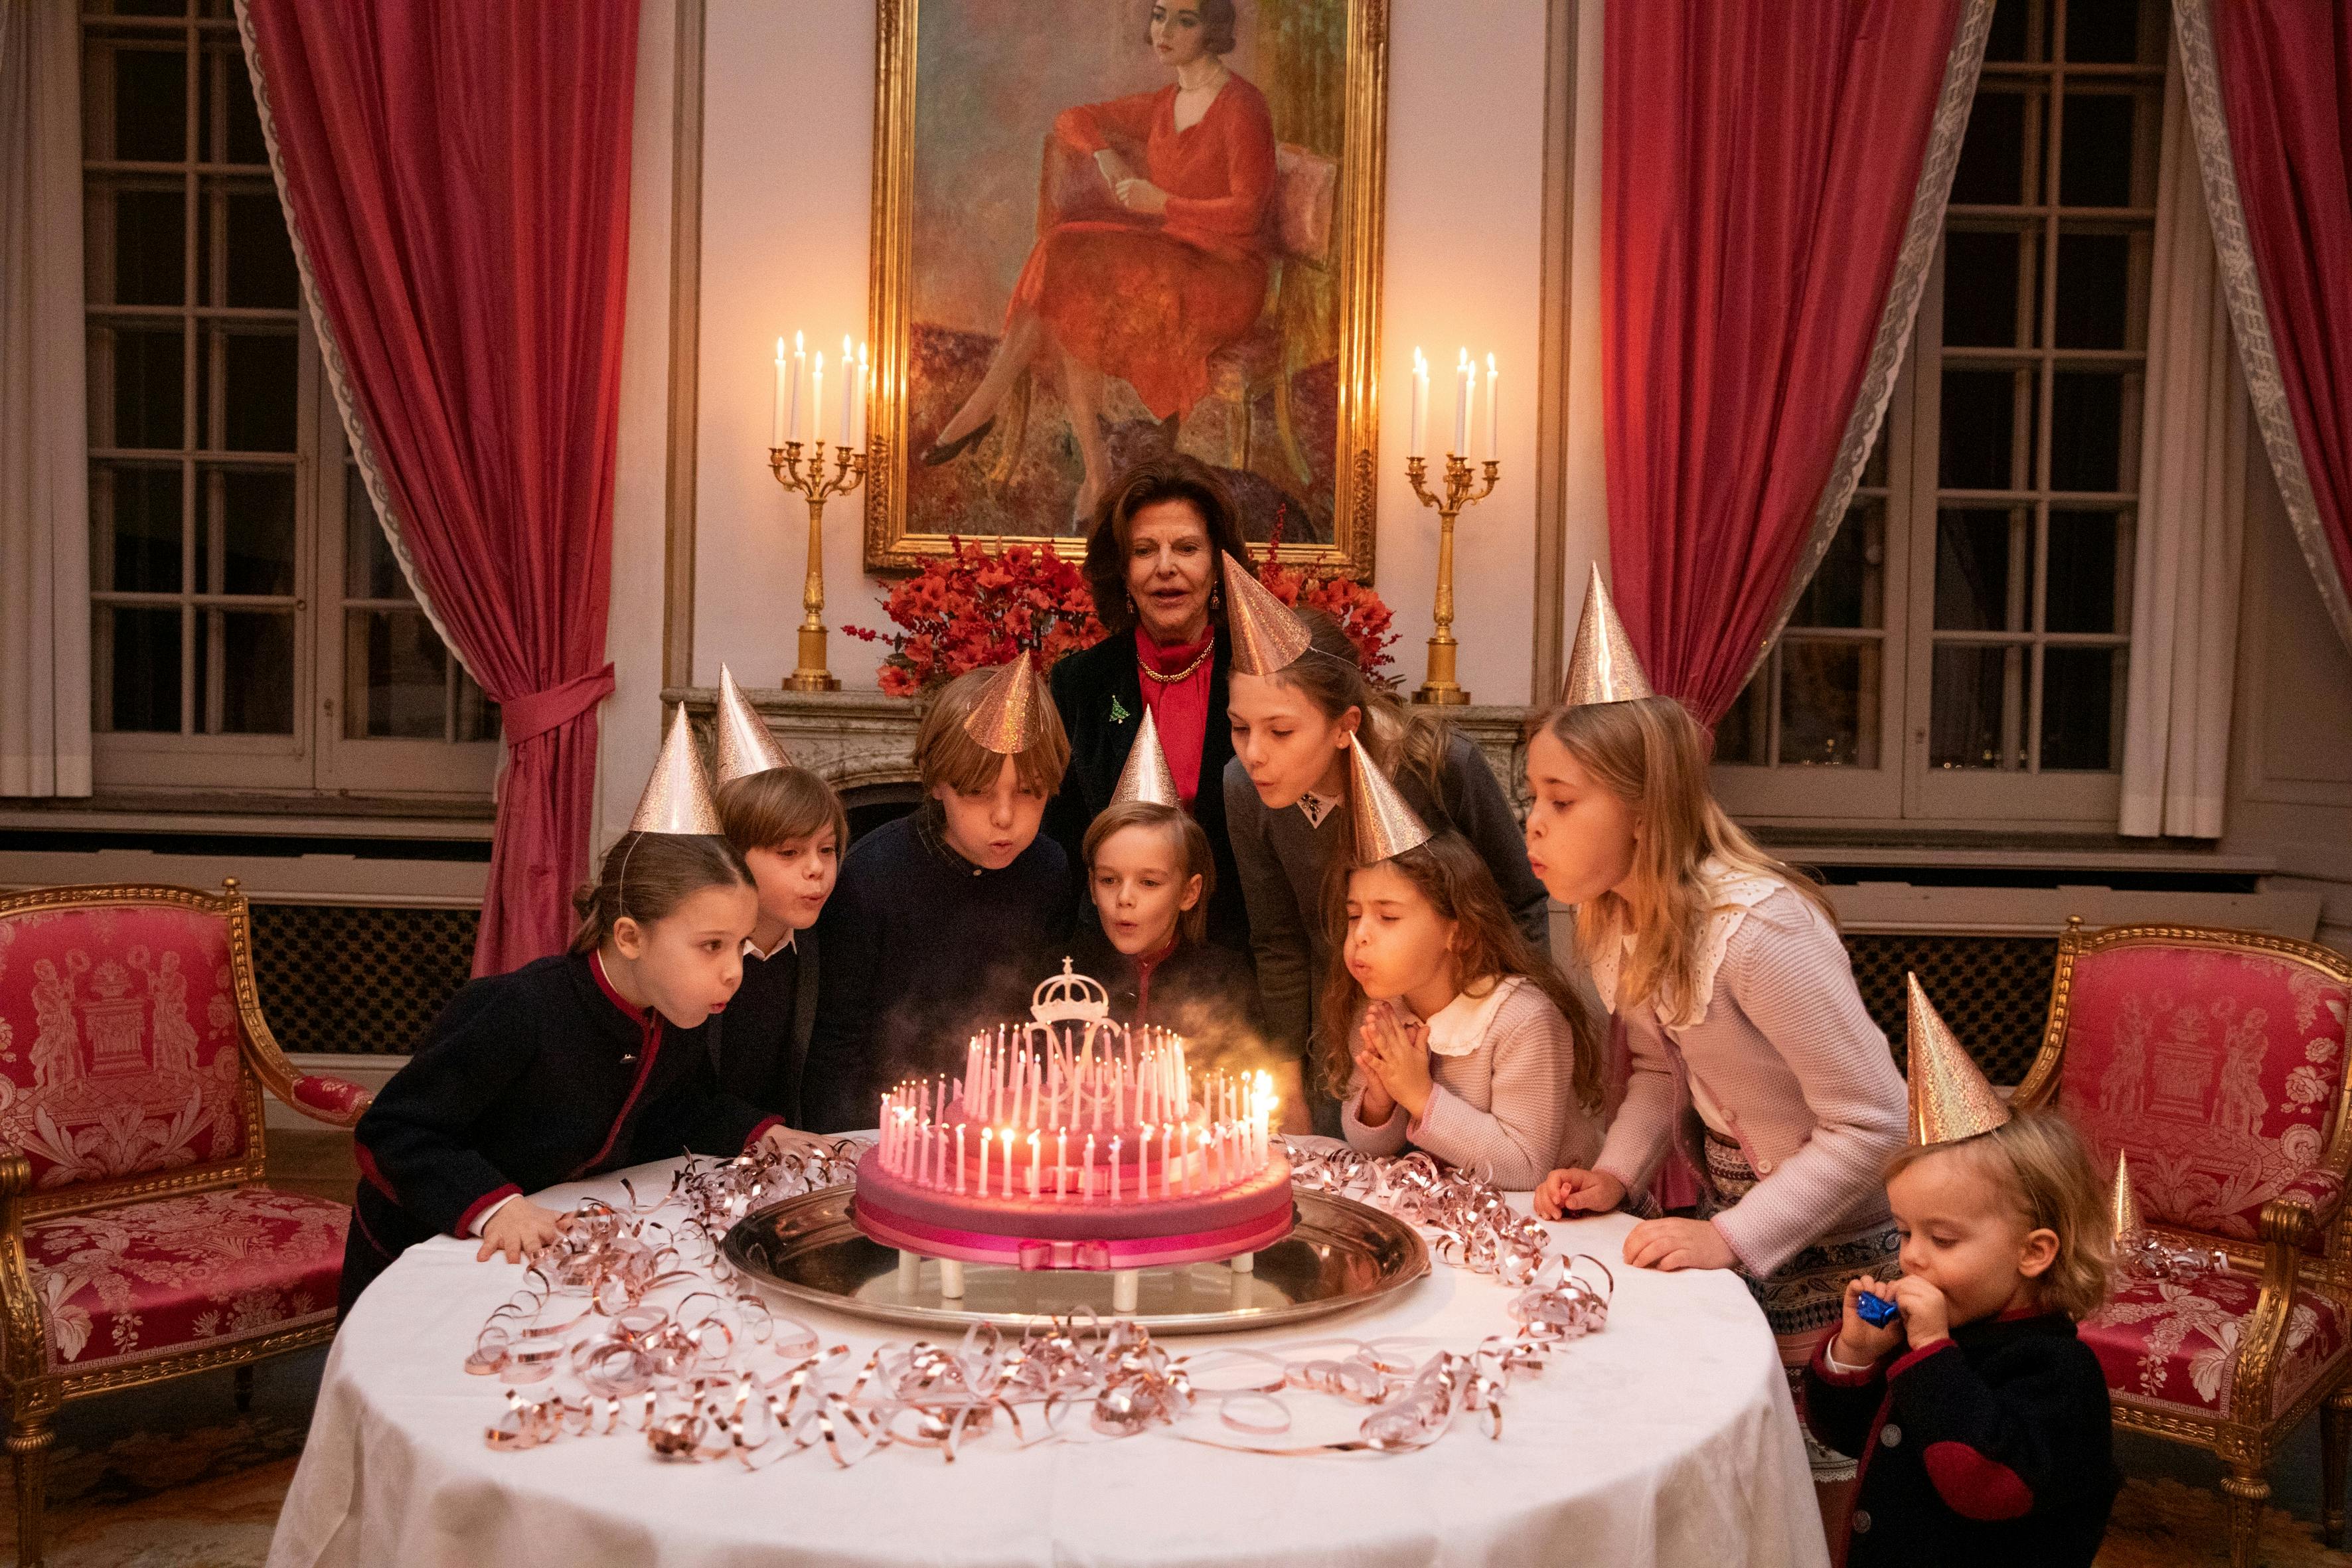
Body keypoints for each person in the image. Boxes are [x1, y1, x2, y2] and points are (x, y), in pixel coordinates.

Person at [1528, 568, 1908, 1494]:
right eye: (1532, 796)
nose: (1531, 824)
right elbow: (1659, 1074)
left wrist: (1734, 1238)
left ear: (1642, 807)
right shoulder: (1615, 919)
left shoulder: (1759, 929)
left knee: (1822, 1467)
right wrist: (1615, 1173)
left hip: (1838, 1241)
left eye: (1559, 799)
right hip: (1740, 1213)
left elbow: (1873, 1119)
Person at [341, 708, 801, 1314]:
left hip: (547, 1254)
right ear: (630, 936)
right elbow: (393, 1132)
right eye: (710, 945)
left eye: (740, 945)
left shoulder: (673, 1012)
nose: (733, 972)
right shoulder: (518, 1010)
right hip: (426, 1254)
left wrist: (762, 1135)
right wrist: (494, 1206)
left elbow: (678, 1109)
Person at [1221, 555, 1547, 1132]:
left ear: (1345, 724)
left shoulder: (1440, 767)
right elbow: (1278, 943)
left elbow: (1518, 905)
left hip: (1470, 1049)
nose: (1254, 754)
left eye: (1280, 731)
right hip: (1343, 1052)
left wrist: (1515, 1047)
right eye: (1239, 727)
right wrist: (1286, 1082)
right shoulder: (1244, 789)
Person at [1802, 979, 2118, 1567]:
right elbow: (1842, 1435)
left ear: (2034, 1252)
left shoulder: (2056, 1371)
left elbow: (1984, 1487)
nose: (1912, 1257)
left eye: (1942, 1239)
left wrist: (1928, 1351)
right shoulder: (1930, 1339)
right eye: (1903, 1232)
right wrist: (1856, 1353)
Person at [921, 0, 1276, 522]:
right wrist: (1106, 155)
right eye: (1159, 16)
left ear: (1213, 30)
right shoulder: (1164, 102)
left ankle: (983, 407)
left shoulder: (1243, 106)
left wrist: (1163, 204)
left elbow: (1249, 212)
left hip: (1222, 276)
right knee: (1067, 273)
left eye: (1185, 19)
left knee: (1068, 264)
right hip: (1170, 258)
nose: (1164, 31)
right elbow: (1072, 118)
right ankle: (1096, 473)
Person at [801, 656, 1073, 1132]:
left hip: (1009, 1127)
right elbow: (838, 1040)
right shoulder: (871, 876)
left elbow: (1047, 1018)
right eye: (978, 793)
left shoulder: (1049, 869)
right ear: (935, 782)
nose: (1005, 817)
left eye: (1028, 792)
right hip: (888, 1130)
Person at [1330, 745, 1603, 1190]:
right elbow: (1370, 1147)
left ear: (1459, 932)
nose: (1360, 934)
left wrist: (1419, 1095)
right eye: (1353, 914)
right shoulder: (1381, 1005)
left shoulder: (1521, 1019)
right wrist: (1380, 1102)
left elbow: (1524, 1168)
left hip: (1562, 1224)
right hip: (1461, 1219)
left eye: (1388, 916)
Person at [1045, 453, 1255, 953]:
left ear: (1218, 565)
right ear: (1123, 572)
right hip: (1103, 954)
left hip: (1234, 954)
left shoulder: (1259, 675)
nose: (1166, 568)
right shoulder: (1079, 683)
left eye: (1186, 548)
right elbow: (1059, 839)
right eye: (1144, 550)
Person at [1068, 710, 1266, 1069]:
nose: (1124, 898)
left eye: (1148, 882)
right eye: (1109, 879)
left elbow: (1246, 1078)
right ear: (1092, 887)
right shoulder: (1066, 975)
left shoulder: (1223, 979)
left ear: (1189, 893)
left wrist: (1189, 1061)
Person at [710, 665, 846, 1125]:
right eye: (789, 852)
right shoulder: (700, 957)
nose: (816, 868)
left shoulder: (815, 946)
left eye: (826, 849)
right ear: (731, 857)